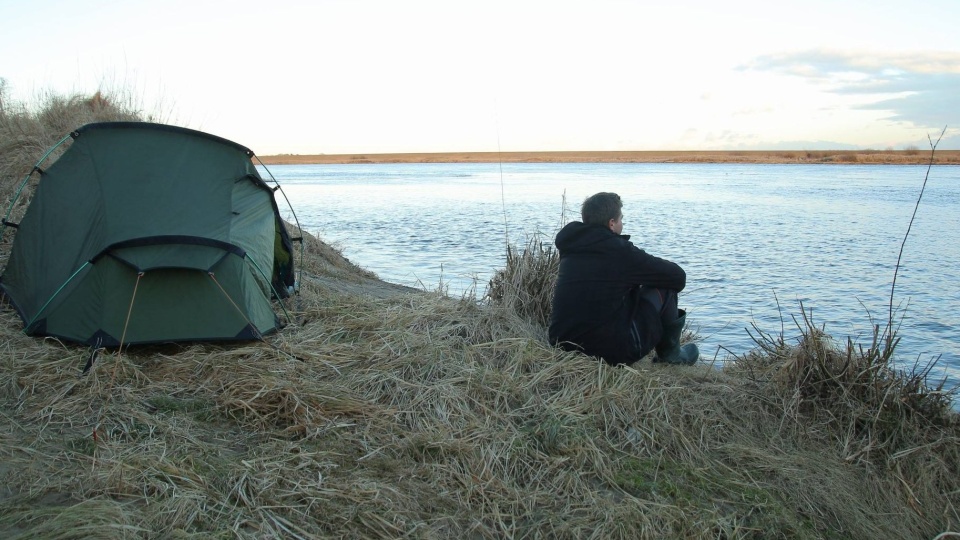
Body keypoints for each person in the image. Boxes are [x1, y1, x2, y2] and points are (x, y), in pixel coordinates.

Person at [548, 192, 699, 366]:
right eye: (621, 219)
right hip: (609, 353)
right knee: (665, 287)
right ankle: (671, 357)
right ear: (612, 223)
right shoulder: (621, 251)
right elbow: (678, 277)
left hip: (562, 344)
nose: (622, 223)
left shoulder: (570, 247)